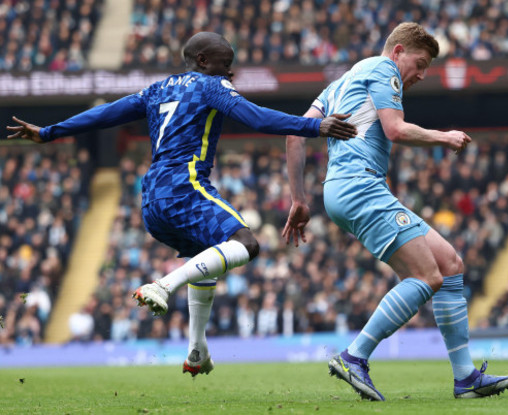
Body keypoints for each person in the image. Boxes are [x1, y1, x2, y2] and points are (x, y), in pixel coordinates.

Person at [7, 32, 356, 377]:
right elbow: (258, 118)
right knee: (246, 244)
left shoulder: (157, 89)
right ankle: (162, 286)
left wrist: (49, 131)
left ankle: (196, 350)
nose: (229, 72)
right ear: (203, 61)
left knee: (208, 258)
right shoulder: (211, 86)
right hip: (184, 186)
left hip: (150, 201)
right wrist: (315, 126)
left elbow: (106, 113)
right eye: (225, 64)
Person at [282, 22, 508, 400]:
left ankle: (466, 378)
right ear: (397, 52)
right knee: (427, 278)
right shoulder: (382, 70)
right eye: (420, 63)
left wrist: (298, 198)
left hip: (347, 189)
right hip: (361, 187)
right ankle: (353, 357)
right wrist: (445, 136)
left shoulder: (341, 83)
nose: (422, 75)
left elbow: (296, 134)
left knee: (450, 264)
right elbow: (394, 130)